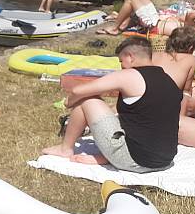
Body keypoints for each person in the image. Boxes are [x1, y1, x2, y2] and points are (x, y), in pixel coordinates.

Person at [42, 37, 182, 172]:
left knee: (87, 100)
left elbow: (78, 91)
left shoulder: (129, 75)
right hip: (165, 159)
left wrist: (68, 102)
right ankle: (107, 155)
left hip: (136, 160)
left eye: (121, 61)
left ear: (130, 57)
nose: (121, 66)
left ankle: (65, 148)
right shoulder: (168, 79)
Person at [97, 0, 181, 36]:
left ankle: (114, 28)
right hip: (157, 20)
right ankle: (123, 23)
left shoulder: (188, 29)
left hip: (153, 26)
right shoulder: (189, 23)